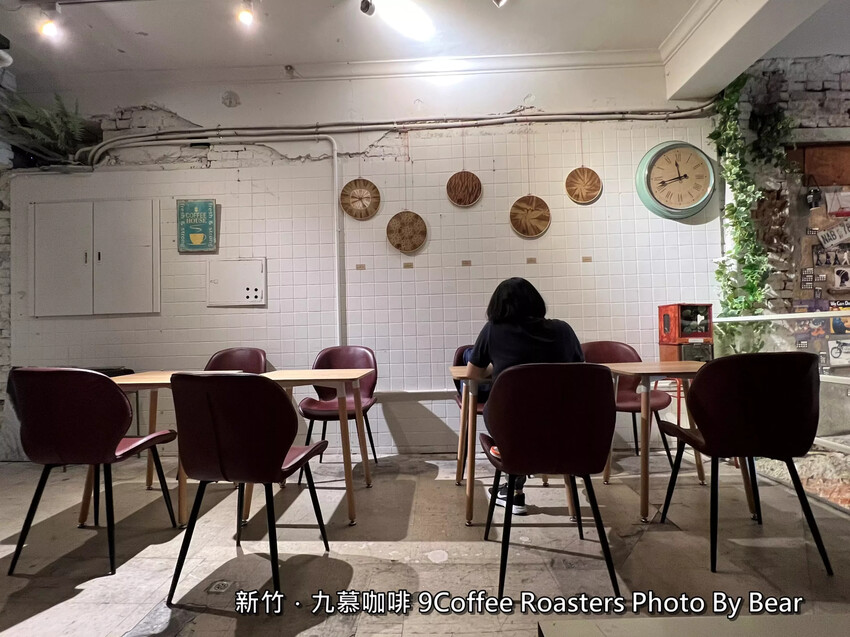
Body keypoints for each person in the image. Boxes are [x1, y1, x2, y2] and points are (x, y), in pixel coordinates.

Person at [465, 277, 584, 514]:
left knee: (509, 415)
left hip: (510, 422)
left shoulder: (492, 331)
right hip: (561, 422)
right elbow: (579, 369)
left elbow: (472, 374)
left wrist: (497, 369)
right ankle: (521, 483)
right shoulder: (563, 330)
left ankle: (513, 489)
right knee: (537, 417)